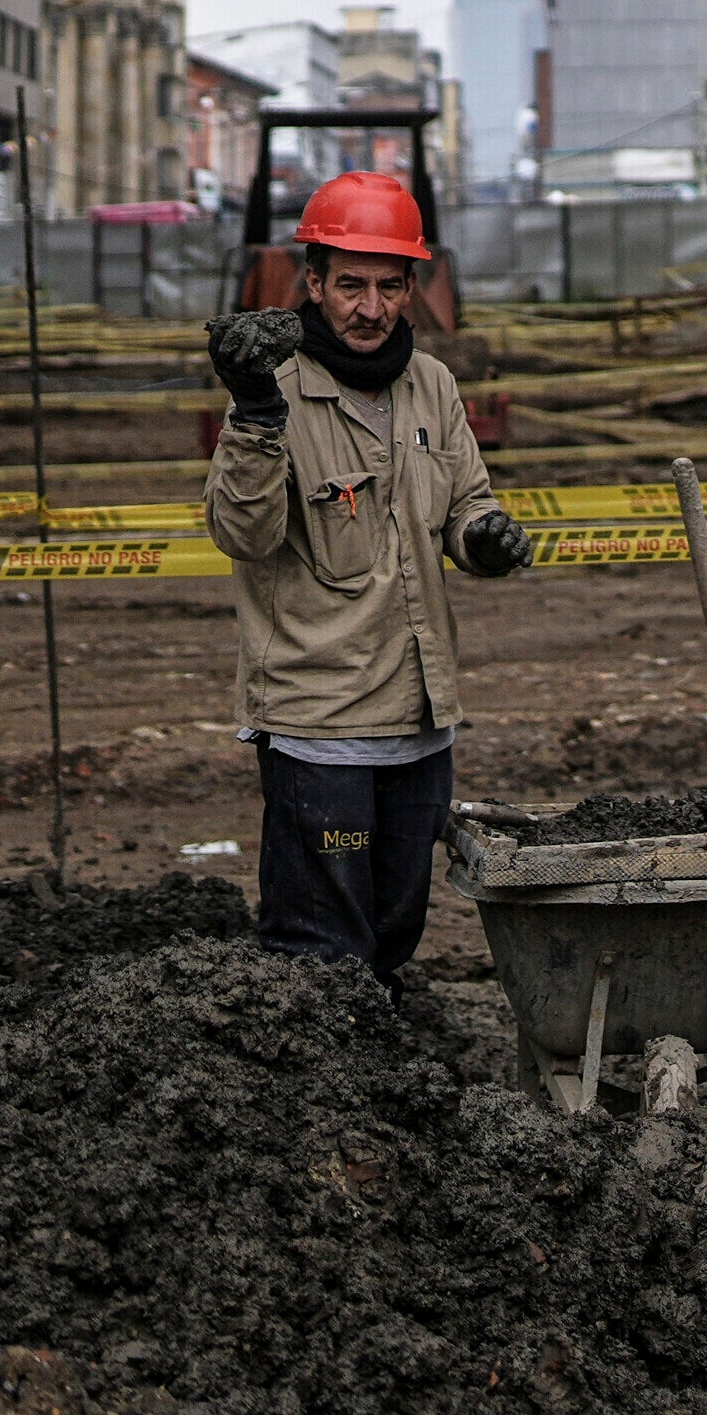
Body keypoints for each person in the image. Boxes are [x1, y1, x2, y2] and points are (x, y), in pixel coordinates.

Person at [203, 170, 531, 976]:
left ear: (413, 289)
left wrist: (481, 535)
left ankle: (377, 1074)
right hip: (323, 736)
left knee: (393, 929)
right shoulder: (275, 392)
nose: (370, 307)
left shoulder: (434, 386)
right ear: (311, 283)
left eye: (389, 286)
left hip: (420, 726)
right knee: (320, 944)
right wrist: (251, 416)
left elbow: (464, 501)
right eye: (350, 284)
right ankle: (319, 1092)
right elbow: (243, 533)